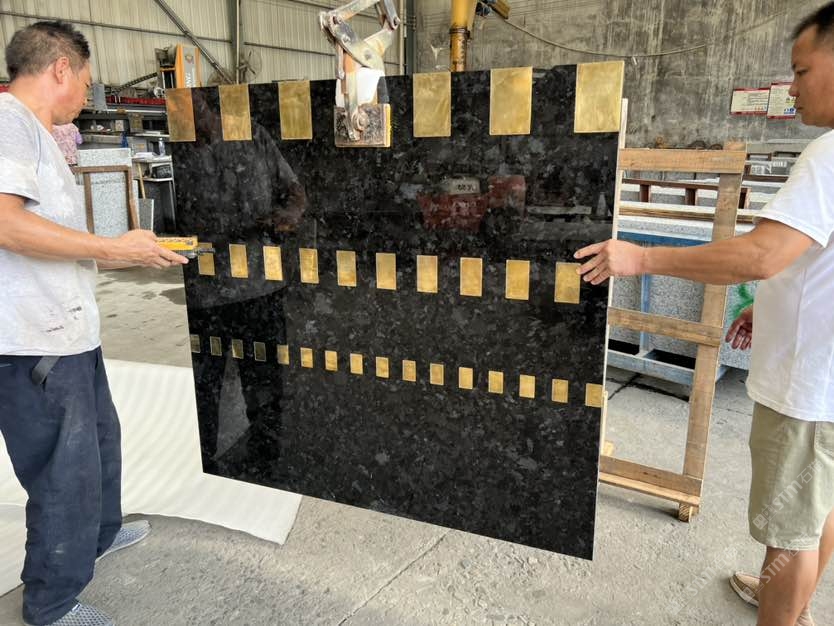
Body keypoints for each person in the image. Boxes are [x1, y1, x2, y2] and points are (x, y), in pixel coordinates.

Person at [575, 4, 834, 626]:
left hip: (808, 389)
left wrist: (641, 257)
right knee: (817, 509)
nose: (791, 87)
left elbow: (763, 254)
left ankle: (783, 606)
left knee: (789, 533)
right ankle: (786, 597)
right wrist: (768, 306)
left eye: (802, 71)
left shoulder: (828, 157)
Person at [0, 21, 187, 626]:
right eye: (86, 79)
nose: (87, 93)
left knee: (101, 443)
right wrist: (112, 248)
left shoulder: (37, 133)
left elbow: (48, 235)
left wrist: (120, 252)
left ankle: (100, 536)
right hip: (32, 341)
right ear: (61, 68)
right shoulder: (7, 123)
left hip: (68, 329)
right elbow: (5, 225)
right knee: (64, 472)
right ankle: (51, 604)